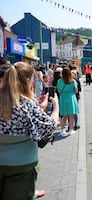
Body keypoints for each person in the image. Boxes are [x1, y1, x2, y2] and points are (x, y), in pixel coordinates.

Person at [0, 62, 59, 200]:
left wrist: (39, 106)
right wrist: (56, 107)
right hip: (21, 165)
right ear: (27, 80)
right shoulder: (26, 104)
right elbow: (49, 126)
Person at [57, 67, 79, 136]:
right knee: (71, 116)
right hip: (71, 98)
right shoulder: (73, 81)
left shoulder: (59, 81)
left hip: (63, 98)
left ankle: (62, 130)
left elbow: (59, 90)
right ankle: (71, 130)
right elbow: (76, 91)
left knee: (64, 116)